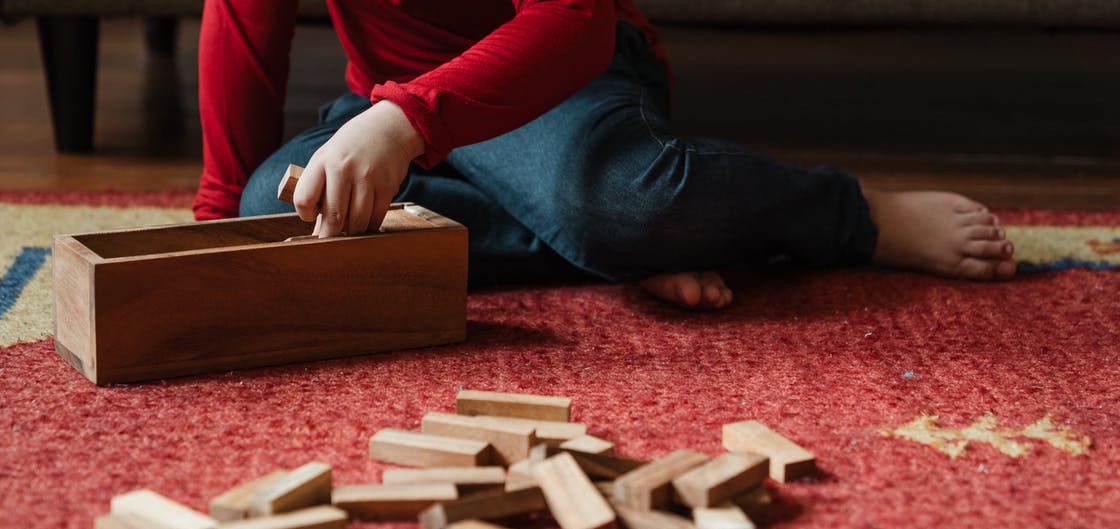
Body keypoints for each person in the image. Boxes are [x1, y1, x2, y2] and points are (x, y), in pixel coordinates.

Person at [191, 0, 1017, 310]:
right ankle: (617, 252)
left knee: (630, 200)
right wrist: (209, 222)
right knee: (272, 209)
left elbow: (575, 24)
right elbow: (241, 24)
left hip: (558, 88)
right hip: (387, 107)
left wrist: (408, 123)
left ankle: (851, 214)